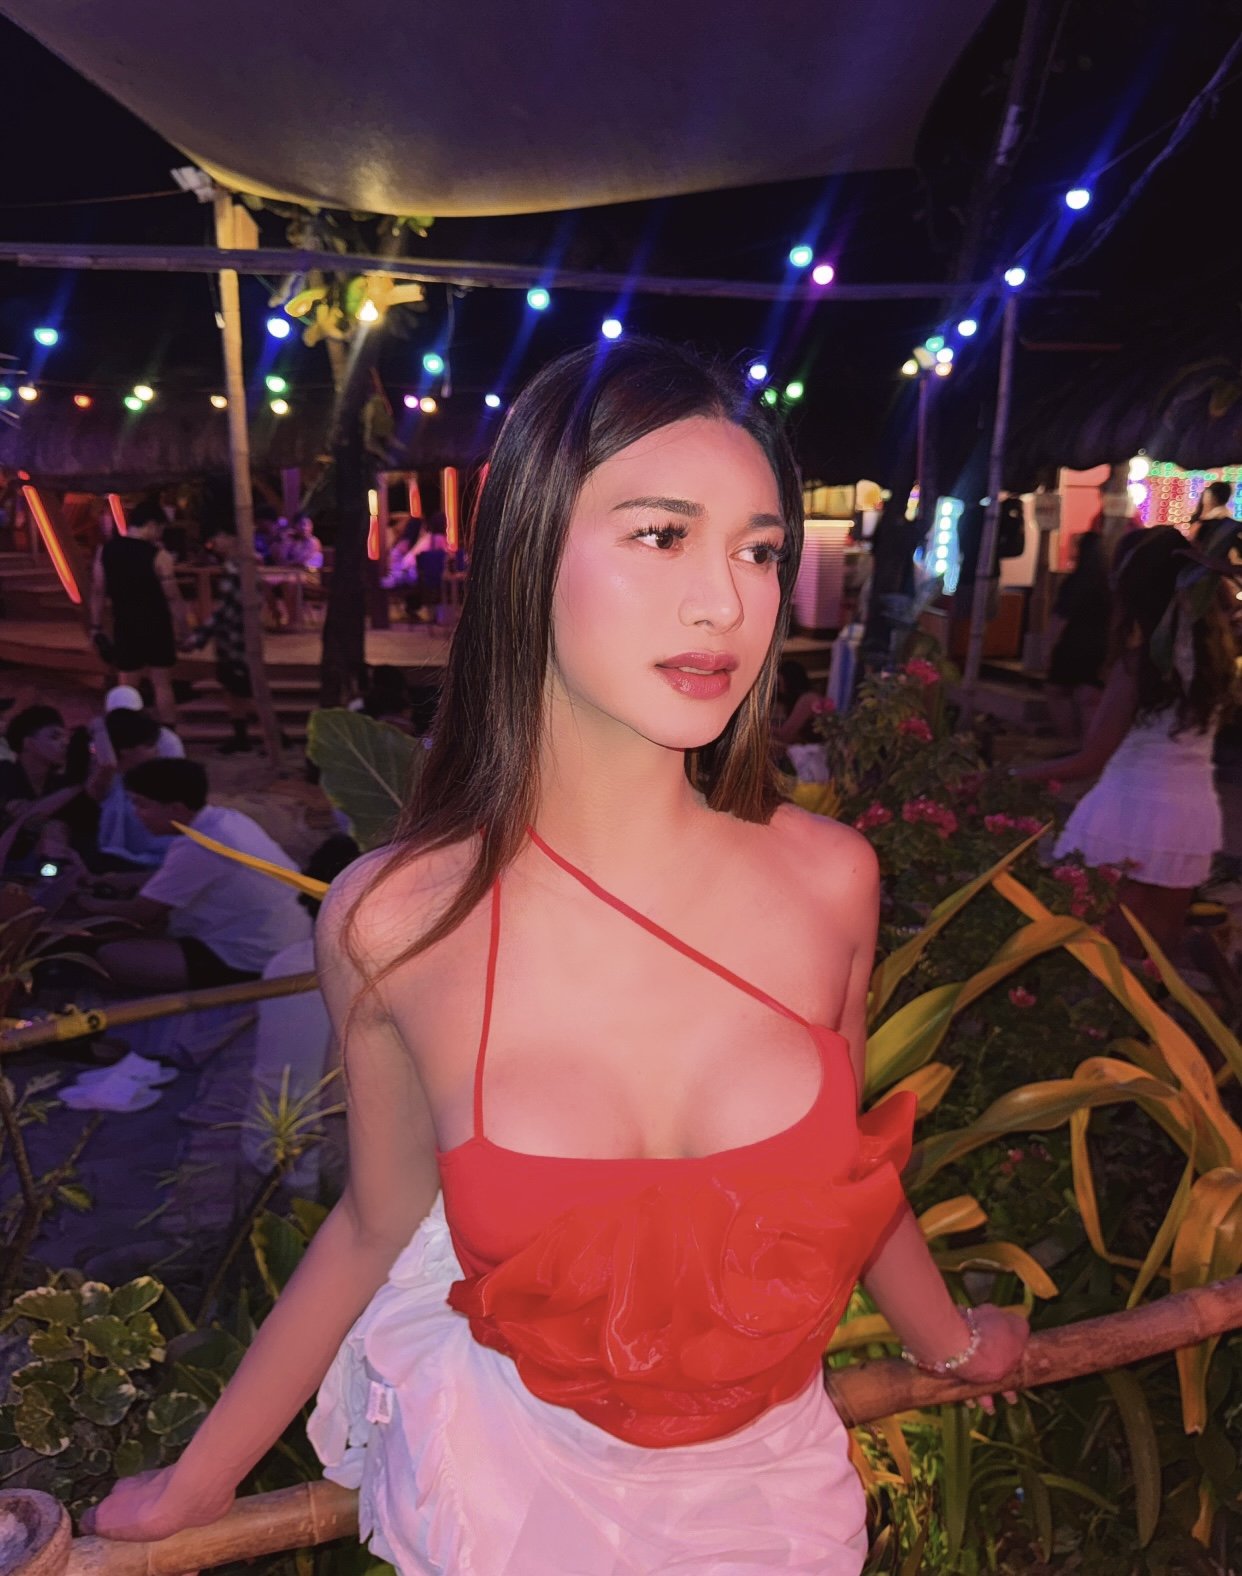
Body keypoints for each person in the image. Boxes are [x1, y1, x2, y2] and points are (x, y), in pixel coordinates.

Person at [86, 339, 1026, 1572]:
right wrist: (197, 1479)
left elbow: (848, 1172)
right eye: (662, 535)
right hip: (510, 1500)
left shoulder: (827, 879)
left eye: (758, 550)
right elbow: (375, 1218)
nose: (727, 602)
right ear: (529, 557)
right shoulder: (397, 921)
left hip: (776, 1510)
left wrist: (950, 1343)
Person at [1014, 525, 1237, 958]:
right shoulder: (1214, 659)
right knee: (1155, 957)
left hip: (1128, 810)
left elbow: (1090, 760)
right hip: (1190, 814)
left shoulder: (1139, 668)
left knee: (1100, 953)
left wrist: (1012, 776)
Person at [79, 757, 311, 992]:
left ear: (176, 809)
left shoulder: (201, 846)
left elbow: (142, 913)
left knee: (111, 956)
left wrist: (86, 904)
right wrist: (106, 881)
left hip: (252, 959)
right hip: (286, 939)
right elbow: (170, 878)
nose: (136, 813)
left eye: (142, 805)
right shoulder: (226, 819)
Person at [90, 503, 190, 728]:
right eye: (160, 529)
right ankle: (169, 730)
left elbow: (98, 591)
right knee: (161, 682)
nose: (160, 535)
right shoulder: (159, 556)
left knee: (127, 682)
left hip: (125, 622)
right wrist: (183, 629)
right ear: (152, 525)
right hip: (157, 623)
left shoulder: (105, 551)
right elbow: (173, 597)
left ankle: (125, 729)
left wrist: (95, 626)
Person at [188, 526, 256, 754]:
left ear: (230, 537)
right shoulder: (236, 566)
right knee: (234, 688)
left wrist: (199, 636)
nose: (214, 541)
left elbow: (225, 611)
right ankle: (242, 735)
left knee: (244, 689)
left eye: (217, 535)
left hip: (237, 639)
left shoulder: (238, 568)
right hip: (232, 639)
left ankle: (273, 735)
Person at [1045, 530, 1111, 743]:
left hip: (1072, 645)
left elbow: (1060, 618)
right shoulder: (1110, 584)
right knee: (1090, 697)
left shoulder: (1075, 582)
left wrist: (1049, 647)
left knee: (1058, 692)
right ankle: (1088, 745)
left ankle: (1071, 740)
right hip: (1100, 646)